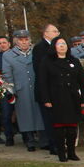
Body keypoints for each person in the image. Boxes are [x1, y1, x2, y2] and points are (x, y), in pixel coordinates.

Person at [37, 36, 84, 162]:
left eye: (64, 43)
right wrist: (46, 99)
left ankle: (71, 152)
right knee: (59, 128)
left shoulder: (74, 61)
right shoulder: (47, 61)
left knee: (71, 128)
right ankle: (61, 153)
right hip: (56, 98)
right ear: (54, 46)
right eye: (59, 44)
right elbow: (42, 82)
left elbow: (82, 81)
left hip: (72, 97)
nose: (62, 46)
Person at [1, 30, 45, 152]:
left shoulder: (36, 52)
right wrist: (11, 90)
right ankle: (29, 140)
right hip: (20, 89)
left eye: (26, 39)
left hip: (37, 87)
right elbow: (7, 74)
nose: (24, 42)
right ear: (15, 41)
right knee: (25, 114)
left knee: (39, 113)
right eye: (21, 40)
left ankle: (43, 140)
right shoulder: (8, 55)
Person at [33, 23, 61, 153]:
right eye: (54, 31)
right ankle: (52, 145)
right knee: (49, 119)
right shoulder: (40, 48)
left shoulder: (59, 47)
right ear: (46, 33)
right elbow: (40, 71)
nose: (57, 33)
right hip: (46, 90)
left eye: (57, 31)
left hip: (58, 89)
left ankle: (59, 142)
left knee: (58, 118)